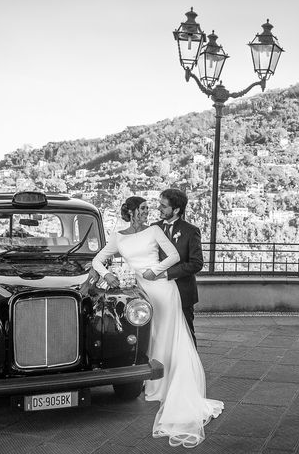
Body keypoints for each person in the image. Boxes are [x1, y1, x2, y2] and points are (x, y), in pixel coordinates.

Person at [92, 196, 223, 448]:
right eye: (141, 209)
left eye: (147, 209)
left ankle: (166, 386)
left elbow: (174, 256)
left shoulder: (154, 230)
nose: (147, 212)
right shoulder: (118, 236)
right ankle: (154, 385)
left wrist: (157, 271)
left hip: (163, 288)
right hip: (142, 290)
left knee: (166, 334)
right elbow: (98, 259)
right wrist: (107, 274)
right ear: (130, 212)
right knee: (151, 336)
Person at [153, 188, 203, 346]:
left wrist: (168, 273)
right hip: (158, 292)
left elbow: (196, 263)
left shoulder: (191, 231)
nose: (159, 208)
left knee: (186, 334)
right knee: (159, 334)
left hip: (182, 292)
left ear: (176, 210)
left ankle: (190, 369)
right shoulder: (153, 228)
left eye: (163, 206)